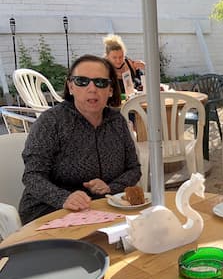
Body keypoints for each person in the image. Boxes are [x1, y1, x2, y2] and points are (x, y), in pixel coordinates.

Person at [19, 54, 142, 224]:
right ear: (71, 87)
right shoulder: (51, 121)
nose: (92, 89)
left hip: (104, 208)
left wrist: (110, 188)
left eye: (100, 82)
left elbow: (133, 168)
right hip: (50, 210)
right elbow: (32, 176)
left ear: (111, 89)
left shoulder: (117, 121)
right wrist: (64, 198)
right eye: (82, 81)